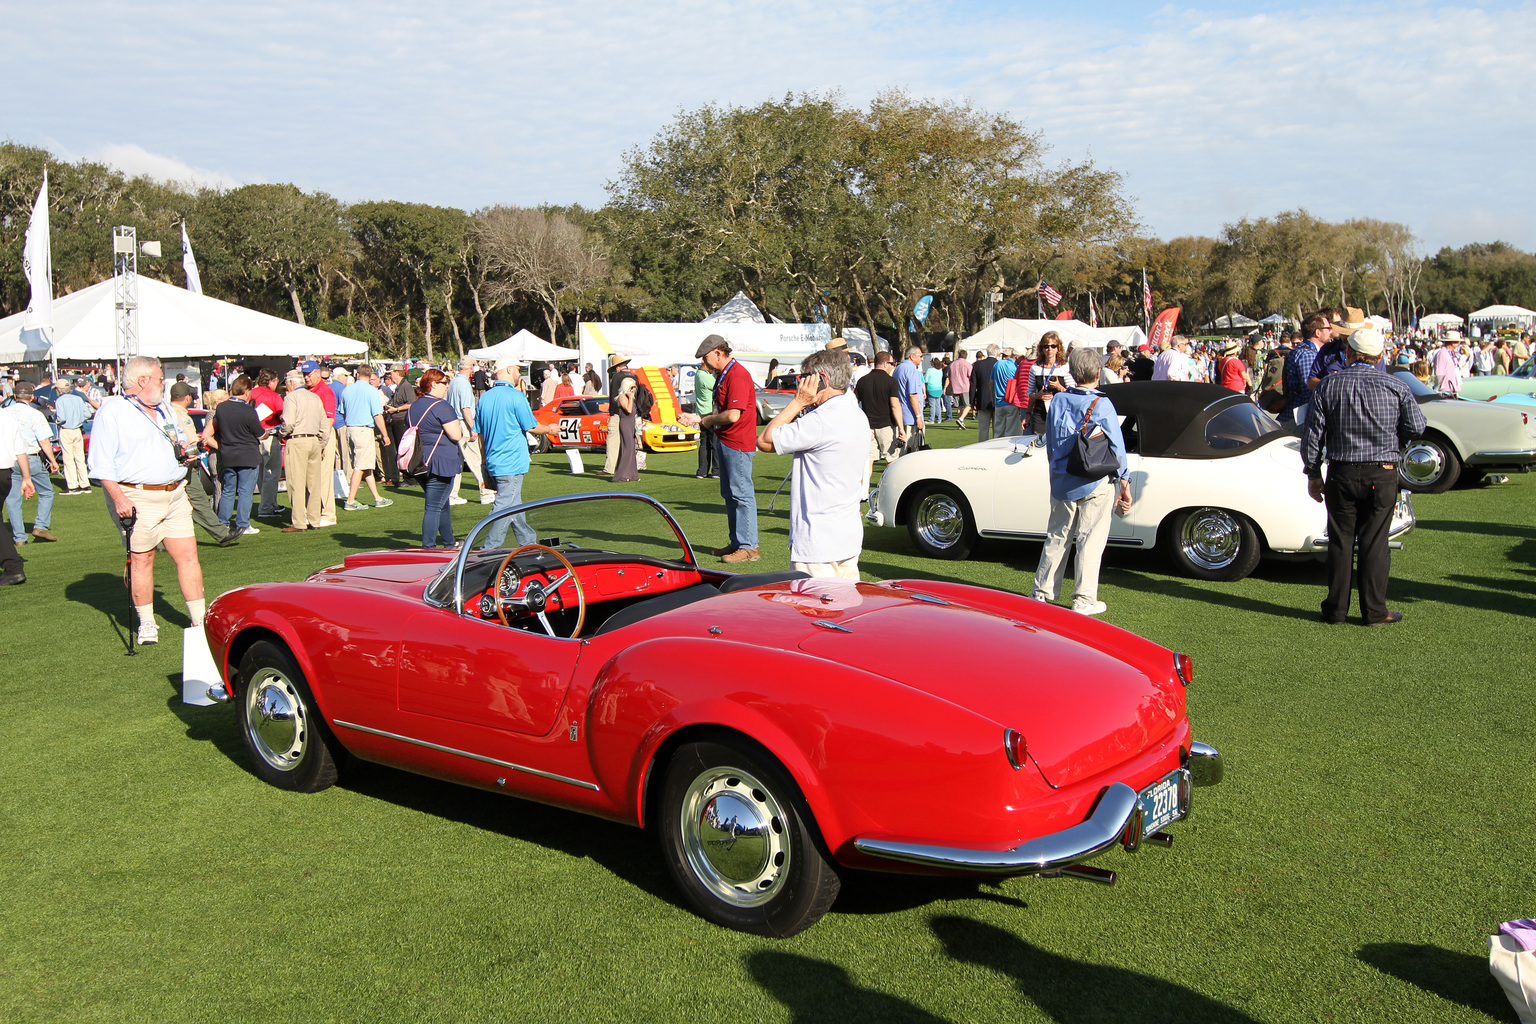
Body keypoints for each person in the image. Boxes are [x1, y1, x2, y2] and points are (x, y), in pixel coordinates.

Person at [1303, 328, 1425, 626]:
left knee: (1340, 541)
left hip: (1341, 471)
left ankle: (1335, 611)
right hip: (1381, 471)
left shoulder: (1329, 385)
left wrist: (1313, 472)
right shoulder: (1395, 385)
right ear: (1380, 356)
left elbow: (1312, 437)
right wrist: (1396, 442)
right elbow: (1417, 427)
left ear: (1349, 354)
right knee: (1375, 541)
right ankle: (1374, 611)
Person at [86, 355, 207, 644]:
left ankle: (199, 620)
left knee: (189, 556)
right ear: (142, 381)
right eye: (158, 378)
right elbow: (100, 465)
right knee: (142, 560)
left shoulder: (165, 409)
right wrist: (119, 499)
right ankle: (147, 623)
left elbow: (173, 440)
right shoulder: (113, 411)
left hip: (175, 493)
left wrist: (185, 450)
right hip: (137, 495)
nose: (163, 384)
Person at [1031, 347, 1133, 616]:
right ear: (1098, 373)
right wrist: (1125, 481)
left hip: (1063, 478)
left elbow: (1051, 442)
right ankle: (1084, 598)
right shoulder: (1102, 404)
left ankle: (1042, 591)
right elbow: (1117, 447)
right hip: (1094, 479)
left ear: (1073, 373)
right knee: (1090, 539)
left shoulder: (1059, 400)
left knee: (1057, 536)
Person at [757, 349, 870, 578]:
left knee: (814, 612)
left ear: (822, 380)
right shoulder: (857, 414)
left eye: (805, 377)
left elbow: (765, 440)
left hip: (818, 543)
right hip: (847, 536)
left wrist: (798, 402)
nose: (801, 383)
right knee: (846, 609)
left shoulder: (819, 420)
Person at [680, 335, 759, 563]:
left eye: (706, 358)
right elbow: (723, 412)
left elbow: (733, 415)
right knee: (731, 494)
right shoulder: (726, 375)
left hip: (737, 443)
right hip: (726, 441)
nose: (705, 364)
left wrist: (707, 420)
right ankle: (737, 542)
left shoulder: (737, 375)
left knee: (741, 495)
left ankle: (749, 547)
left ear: (717, 352)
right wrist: (698, 418)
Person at [475, 359, 556, 549]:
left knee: (513, 503)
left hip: (494, 459)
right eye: (518, 369)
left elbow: (479, 433)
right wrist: (551, 429)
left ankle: (528, 542)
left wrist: (484, 458)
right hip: (511, 460)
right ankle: (488, 548)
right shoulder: (516, 396)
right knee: (505, 505)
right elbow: (532, 426)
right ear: (509, 369)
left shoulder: (485, 397)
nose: (520, 372)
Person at [167, 383, 237, 546]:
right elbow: (191, 439)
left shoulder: (167, 411)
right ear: (187, 397)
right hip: (184, 463)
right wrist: (197, 445)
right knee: (198, 499)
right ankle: (221, 533)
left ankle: (162, 541)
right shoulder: (181, 415)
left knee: (170, 502)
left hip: (173, 465)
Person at [408, 368, 465, 549]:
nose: (447, 386)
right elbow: (456, 435)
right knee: (434, 506)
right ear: (433, 384)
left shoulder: (414, 406)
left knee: (442, 503)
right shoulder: (441, 406)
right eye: (444, 383)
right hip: (440, 461)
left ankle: (449, 542)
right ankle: (428, 547)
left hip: (419, 462)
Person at [4, 382, 59, 544]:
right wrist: (53, 460)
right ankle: (41, 525)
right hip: (30, 456)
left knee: (13, 499)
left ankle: (20, 537)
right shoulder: (35, 414)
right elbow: (44, 440)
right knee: (47, 492)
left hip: (10, 459)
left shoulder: (4, 413)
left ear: (14, 396)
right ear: (32, 397)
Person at [209, 375, 265, 536]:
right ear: (247, 391)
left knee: (228, 490)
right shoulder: (248, 410)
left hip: (228, 454)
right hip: (247, 454)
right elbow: (260, 434)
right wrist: (267, 434)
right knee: (245, 491)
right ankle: (243, 524)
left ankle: (223, 523)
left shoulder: (221, 408)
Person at [278, 370, 327, 532]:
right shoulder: (315, 397)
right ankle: (314, 520)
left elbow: (289, 422)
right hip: (314, 440)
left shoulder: (291, 398)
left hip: (297, 440)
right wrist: (321, 444)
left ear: (292, 383)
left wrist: (281, 434)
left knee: (296, 483)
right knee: (314, 483)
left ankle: (299, 522)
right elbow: (324, 426)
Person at [339, 362, 393, 511]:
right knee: (360, 466)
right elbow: (377, 414)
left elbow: (343, 411)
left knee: (366, 465)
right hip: (363, 430)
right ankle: (350, 500)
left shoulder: (347, 390)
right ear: (370, 377)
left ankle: (378, 498)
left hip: (350, 429)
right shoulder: (371, 391)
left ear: (357, 375)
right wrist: (385, 434)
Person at [855, 351, 905, 484]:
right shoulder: (891, 382)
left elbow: (854, 403)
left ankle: (862, 490)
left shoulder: (862, 381)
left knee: (869, 460)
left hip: (868, 426)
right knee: (892, 459)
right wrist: (901, 428)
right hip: (886, 425)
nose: (893, 366)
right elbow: (895, 406)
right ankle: (884, 485)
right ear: (884, 364)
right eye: (891, 364)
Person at [248, 368, 286, 519]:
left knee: (261, 472)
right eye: (276, 381)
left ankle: (270, 503)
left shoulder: (252, 394)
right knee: (271, 473)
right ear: (271, 381)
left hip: (254, 437)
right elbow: (283, 415)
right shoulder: (273, 396)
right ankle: (267, 506)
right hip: (269, 436)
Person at [1281, 312, 1330, 425]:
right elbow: (1309, 389)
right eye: (1328, 328)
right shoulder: (1307, 354)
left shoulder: (1306, 351)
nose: (1330, 331)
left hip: (1299, 416)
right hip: (1299, 419)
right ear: (1318, 332)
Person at [0, 407, 31, 584]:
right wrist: (26, 477)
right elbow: (20, 450)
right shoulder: (7, 416)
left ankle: (13, 567)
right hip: (4, 473)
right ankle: (13, 567)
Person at [54, 378, 93, 494]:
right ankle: (85, 484)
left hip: (66, 430)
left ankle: (73, 486)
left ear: (59, 389)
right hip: (78, 430)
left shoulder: (60, 400)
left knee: (68, 458)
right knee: (80, 458)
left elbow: (61, 418)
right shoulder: (78, 398)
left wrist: (55, 418)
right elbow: (87, 414)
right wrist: (78, 419)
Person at [1026, 333, 1069, 435]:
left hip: (1060, 412)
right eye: (1046, 346)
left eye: (1053, 346)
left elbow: (1073, 392)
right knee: (1038, 443)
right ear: (1042, 349)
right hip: (1040, 413)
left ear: (1058, 348)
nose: (1049, 349)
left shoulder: (1065, 367)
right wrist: (1037, 396)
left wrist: (1060, 388)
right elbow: (1030, 393)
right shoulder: (1035, 368)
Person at [383, 364, 417, 488]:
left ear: (397, 372)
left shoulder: (405, 386)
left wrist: (396, 409)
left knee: (404, 450)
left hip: (402, 420)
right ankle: (408, 477)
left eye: (391, 373)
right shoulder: (399, 386)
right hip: (397, 420)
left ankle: (410, 479)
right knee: (400, 450)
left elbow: (411, 404)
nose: (390, 375)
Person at [893, 347, 926, 451]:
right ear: (912, 356)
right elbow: (912, 394)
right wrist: (918, 416)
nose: (922, 359)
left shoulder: (898, 368)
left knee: (903, 449)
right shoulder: (911, 370)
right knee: (912, 450)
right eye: (920, 356)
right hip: (911, 416)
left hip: (901, 414)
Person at [612, 377, 641, 482]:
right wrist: (630, 397)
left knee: (632, 449)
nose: (633, 389)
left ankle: (632, 474)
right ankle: (621, 475)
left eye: (634, 387)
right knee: (627, 449)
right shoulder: (622, 397)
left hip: (632, 424)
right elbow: (628, 410)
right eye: (631, 387)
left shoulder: (631, 398)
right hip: (625, 424)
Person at [693, 357, 717, 479]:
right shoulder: (705, 376)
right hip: (709, 412)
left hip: (701, 412)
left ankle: (702, 471)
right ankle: (716, 471)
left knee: (704, 443)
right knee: (714, 443)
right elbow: (718, 388)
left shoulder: (698, 374)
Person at [970, 344, 998, 441]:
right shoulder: (999, 364)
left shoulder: (978, 365)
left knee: (983, 430)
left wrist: (972, 401)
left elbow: (973, 385)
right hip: (997, 399)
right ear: (997, 353)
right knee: (997, 430)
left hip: (982, 400)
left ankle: (982, 448)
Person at [992, 347, 1021, 436]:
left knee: (998, 432)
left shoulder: (998, 364)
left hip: (998, 401)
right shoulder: (1016, 367)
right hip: (1011, 402)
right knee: (1011, 432)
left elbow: (991, 382)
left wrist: (993, 399)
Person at [948, 348, 972, 430]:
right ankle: (961, 419)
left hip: (955, 387)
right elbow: (971, 376)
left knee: (959, 406)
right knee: (968, 405)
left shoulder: (952, 364)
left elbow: (949, 376)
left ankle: (961, 423)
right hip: (965, 387)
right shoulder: (967, 364)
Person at [923, 356, 945, 425]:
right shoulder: (940, 371)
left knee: (932, 405)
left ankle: (931, 419)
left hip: (931, 389)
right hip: (939, 389)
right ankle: (939, 419)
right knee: (938, 405)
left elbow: (925, 380)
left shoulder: (930, 370)